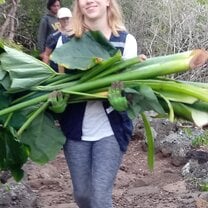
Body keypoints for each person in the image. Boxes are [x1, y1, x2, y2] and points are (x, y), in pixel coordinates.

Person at [48, 0, 144, 207]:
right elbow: (57, 85)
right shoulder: (65, 43)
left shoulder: (126, 41)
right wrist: (57, 107)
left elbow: (133, 93)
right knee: (83, 195)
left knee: (100, 197)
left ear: (109, 2)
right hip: (75, 129)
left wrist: (123, 104)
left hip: (111, 129)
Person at [42, 7, 73, 72]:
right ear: (58, 20)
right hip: (58, 72)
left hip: (75, 71)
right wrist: (44, 71)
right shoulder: (53, 37)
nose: (65, 21)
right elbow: (46, 55)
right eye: (62, 19)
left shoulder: (77, 34)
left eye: (67, 18)